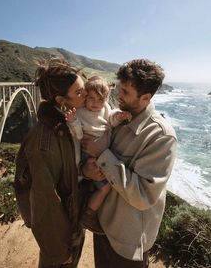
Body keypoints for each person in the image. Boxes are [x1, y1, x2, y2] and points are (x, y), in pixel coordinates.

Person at [81, 59, 177, 268]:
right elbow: (96, 160)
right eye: (119, 88)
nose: (117, 95)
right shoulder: (119, 118)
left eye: (125, 92)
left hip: (127, 242)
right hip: (103, 226)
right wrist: (87, 171)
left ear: (145, 98)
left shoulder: (161, 137)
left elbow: (143, 195)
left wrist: (103, 154)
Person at [14, 58, 90, 268]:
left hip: (72, 218)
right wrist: (57, 250)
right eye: (78, 93)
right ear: (61, 100)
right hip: (60, 230)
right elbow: (44, 199)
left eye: (83, 88)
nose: (86, 95)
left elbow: (69, 168)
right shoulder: (45, 140)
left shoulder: (66, 122)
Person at [65, 76, 131, 233]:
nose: (95, 103)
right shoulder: (80, 112)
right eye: (92, 99)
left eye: (100, 100)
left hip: (104, 153)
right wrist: (73, 121)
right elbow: (79, 135)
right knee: (105, 187)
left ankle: (92, 212)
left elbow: (111, 120)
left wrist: (120, 116)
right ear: (86, 96)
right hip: (90, 154)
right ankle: (88, 214)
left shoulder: (106, 108)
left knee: (104, 185)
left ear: (106, 99)